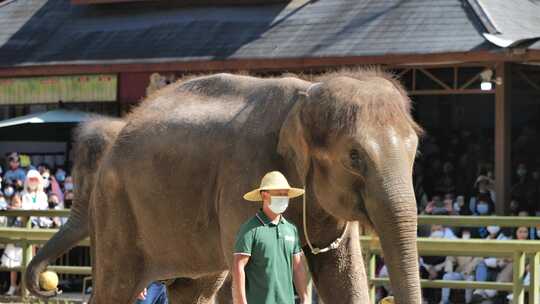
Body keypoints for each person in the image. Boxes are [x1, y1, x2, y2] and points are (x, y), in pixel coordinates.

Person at [233, 171, 308, 304]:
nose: (284, 198)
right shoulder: (249, 230)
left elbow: (297, 266)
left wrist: (305, 297)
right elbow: (239, 267)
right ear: (264, 195)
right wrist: (241, 302)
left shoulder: (291, 230)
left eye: (286, 195)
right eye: (279, 194)